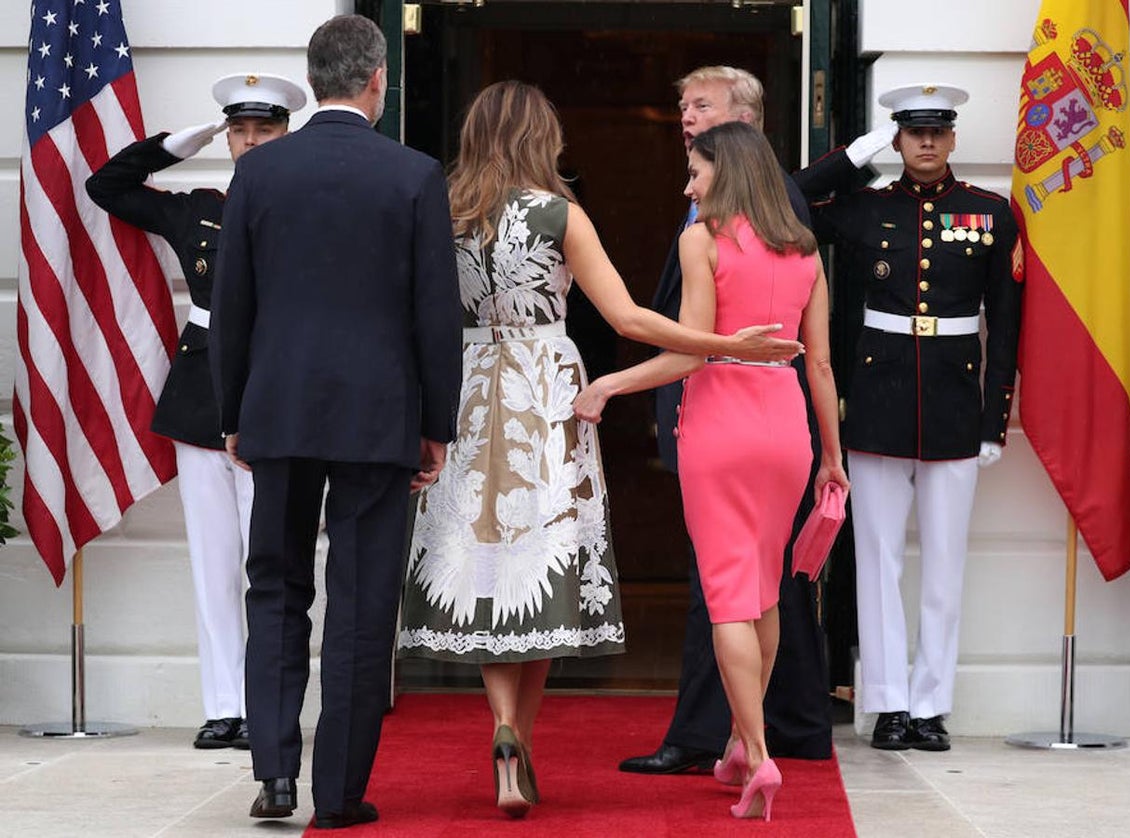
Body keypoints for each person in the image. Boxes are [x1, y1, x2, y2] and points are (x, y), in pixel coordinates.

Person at [395, 80, 795, 819]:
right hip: (544, 389)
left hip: (468, 386)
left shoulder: (441, 210)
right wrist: (717, 345)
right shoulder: (559, 213)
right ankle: (524, 737)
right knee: (545, 563)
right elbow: (630, 317)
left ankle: (504, 728)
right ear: (537, 138)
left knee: (485, 563)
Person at [209, 15, 462, 829]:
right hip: (379, 418)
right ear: (378, 80)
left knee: (276, 589)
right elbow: (435, 317)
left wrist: (233, 414)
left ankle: (276, 775)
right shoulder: (415, 174)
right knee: (360, 605)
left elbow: (231, 307)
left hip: (277, 409)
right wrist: (436, 424)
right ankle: (341, 794)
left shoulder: (259, 173)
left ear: (314, 80)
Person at [575, 121, 849, 820]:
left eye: (695, 171)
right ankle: (736, 739)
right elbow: (819, 363)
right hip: (786, 424)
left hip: (721, 422)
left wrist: (611, 384)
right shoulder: (804, 249)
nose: (688, 185)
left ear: (725, 172)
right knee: (761, 589)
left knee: (727, 592)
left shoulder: (702, 239)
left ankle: (759, 758)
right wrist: (832, 456)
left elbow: (693, 351)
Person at [793, 84, 1023, 751]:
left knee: (946, 565)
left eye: (937, 132)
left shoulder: (989, 213)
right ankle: (888, 705)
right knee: (878, 559)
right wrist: (850, 158)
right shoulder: (863, 208)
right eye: (912, 133)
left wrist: (992, 421)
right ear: (897, 140)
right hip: (878, 401)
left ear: (952, 139)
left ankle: (930, 707)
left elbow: (1004, 327)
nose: (925, 143)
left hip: (955, 403)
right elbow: (785, 201)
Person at [86, 71, 306, 751]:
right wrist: (181, 143)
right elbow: (107, 188)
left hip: (273, 393)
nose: (248, 141)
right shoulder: (199, 209)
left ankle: (270, 707)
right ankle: (224, 706)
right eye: (238, 130)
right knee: (214, 562)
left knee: (268, 561)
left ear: (286, 134)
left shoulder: (308, 210)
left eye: (262, 129)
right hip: (202, 396)